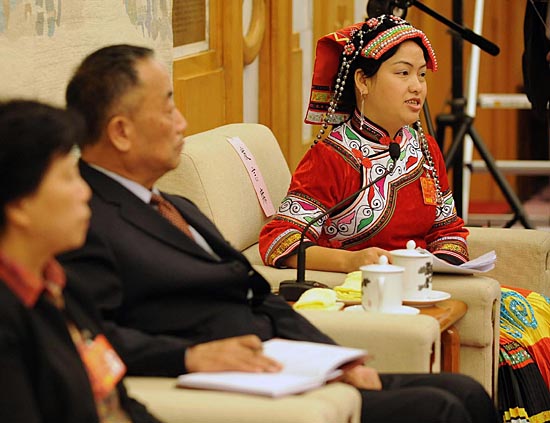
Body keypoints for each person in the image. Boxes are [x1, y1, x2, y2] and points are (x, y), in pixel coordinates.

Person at [58, 43, 498, 423]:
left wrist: (338, 360)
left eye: (421, 75)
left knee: (465, 390)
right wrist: (189, 356)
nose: (182, 123)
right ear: (121, 132)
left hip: (286, 362)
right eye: (167, 108)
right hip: (233, 382)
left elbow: (259, 295)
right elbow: (88, 335)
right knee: (441, 408)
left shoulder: (176, 207)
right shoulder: (86, 221)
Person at [258, 14, 550, 423]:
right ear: (363, 81)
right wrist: (352, 260)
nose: (417, 87)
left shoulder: (424, 147)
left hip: (427, 290)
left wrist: (446, 266)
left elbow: (448, 228)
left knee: (534, 311)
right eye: (402, 73)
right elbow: (279, 241)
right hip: (373, 296)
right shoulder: (331, 156)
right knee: (512, 343)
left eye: (421, 75)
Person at [0, 100, 161, 423]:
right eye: (68, 177)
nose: (85, 192)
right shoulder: (8, 317)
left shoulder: (65, 286)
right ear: (19, 205)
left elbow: (117, 399)